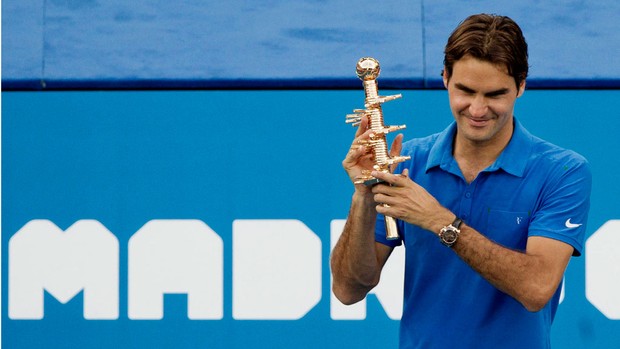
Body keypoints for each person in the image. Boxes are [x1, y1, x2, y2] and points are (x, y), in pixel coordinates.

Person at [331, 13, 591, 349]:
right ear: (444, 78)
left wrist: (440, 221)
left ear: (521, 86)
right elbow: (349, 290)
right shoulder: (408, 162)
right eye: (465, 91)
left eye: (495, 94)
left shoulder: (563, 172)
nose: (478, 109)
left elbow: (536, 289)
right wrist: (363, 197)